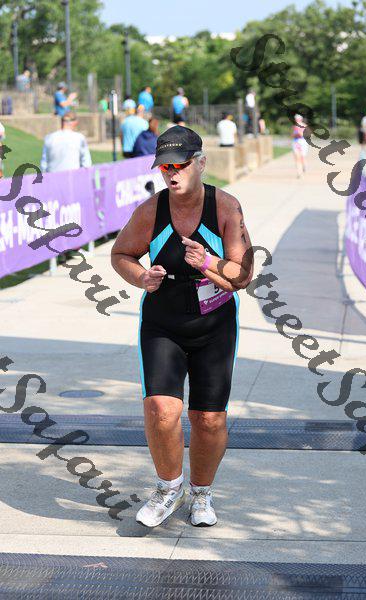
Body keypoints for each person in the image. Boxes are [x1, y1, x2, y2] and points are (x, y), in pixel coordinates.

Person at [111, 125, 254, 528]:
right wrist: (141, 277)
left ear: (201, 164)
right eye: (165, 167)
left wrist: (207, 262)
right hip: (164, 320)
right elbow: (121, 254)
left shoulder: (225, 207)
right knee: (161, 409)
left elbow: (244, 275)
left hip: (215, 322)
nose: (172, 174)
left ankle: (201, 493)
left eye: (180, 165)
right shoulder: (150, 211)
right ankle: (167, 489)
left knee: (208, 419)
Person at [292, 113, 308, 178]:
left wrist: (300, 133)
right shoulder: (294, 127)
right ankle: (299, 173)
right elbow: (292, 135)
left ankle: (304, 167)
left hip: (302, 142)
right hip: (296, 142)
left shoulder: (304, 126)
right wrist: (295, 134)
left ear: (300, 119)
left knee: (302, 157)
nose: (296, 120)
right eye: (296, 119)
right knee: (297, 158)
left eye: (297, 119)